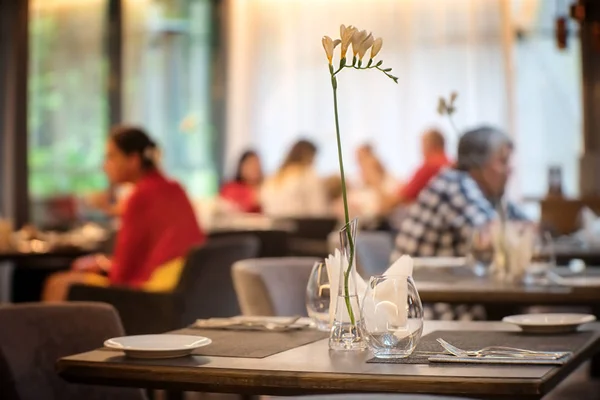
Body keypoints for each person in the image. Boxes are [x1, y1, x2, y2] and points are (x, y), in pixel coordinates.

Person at [42, 126, 205, 301]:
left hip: (153, 292)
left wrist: (103, 267)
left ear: (133, 159)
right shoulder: (174, 188)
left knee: (58, 284)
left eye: (111, 157)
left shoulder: (139, 196)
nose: (105, 166)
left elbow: (124, 272)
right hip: (185, 288)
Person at [394, 126, 526, 257]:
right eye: (503, 161)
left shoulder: (489, 195)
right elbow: (494, 238)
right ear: (477, 163)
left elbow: (527, 227)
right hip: (413, 277)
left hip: (442, 276)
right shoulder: (453, 184)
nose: (510, 170)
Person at [380, 129, 451, 212]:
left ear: (428, 145)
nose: (421, 150)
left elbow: (402, 197)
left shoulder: (429, 167)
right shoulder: (451, 164)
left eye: (422, 145)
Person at [260, 139, 328, 217]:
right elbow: (319, 211)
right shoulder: (308, 175)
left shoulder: (272, 178)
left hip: (275, 226)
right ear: (309, 156)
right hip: (303, 226)